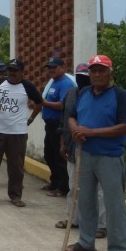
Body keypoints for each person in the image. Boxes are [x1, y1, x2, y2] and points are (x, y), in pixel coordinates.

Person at [65, 55, 126, 251]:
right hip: (84, 154)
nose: (96, 74)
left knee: (114, 205)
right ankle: (86, 242)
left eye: (101, 70)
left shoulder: (119, 95)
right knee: (85, 200)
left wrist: (92, 132)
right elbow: (72, 115)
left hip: (109, 157)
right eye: (93, 70)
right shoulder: (84, 92)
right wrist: (75, 129)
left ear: (110, 73)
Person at [0, 58, 42, 207]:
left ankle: (15, 196)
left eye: (15, 70)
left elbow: (39, 102)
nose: (12, 73)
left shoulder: (27, 86)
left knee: (16, 166)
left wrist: (31, 118)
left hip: (18, 132)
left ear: (21, 72)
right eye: (10, 70)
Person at [56, 63, 106, 236]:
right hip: (72, 148)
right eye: (79, 77)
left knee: (99, 190)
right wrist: (63, 143)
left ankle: (101, 225)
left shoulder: (100, 96)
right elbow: (64, 120)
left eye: (85, 77)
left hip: (95, 150)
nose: (82, 80)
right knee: (73, 186)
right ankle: (73, 219)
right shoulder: (71, 94)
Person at [40, 57, 75, 197]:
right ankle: (54, 182)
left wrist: (44, 103)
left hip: (58, 125)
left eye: (54, 67)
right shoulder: (54, 82)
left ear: (63, 68)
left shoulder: (65, 83)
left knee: (59, 157)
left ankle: (63, 187)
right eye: (49, 67)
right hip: (49, 125)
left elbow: (63, 105)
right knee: (49, 155)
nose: (51, 70)